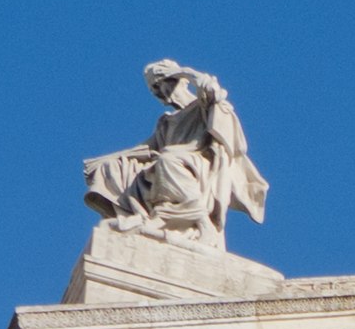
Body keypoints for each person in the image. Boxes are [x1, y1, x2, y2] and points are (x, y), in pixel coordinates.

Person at [83, 61, 268, 248]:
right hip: (168, 163)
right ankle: (141, 218)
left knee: (167, 159)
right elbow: (144, 149)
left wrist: (184, 71)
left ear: (180, 80)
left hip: (198, 164)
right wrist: (105, 161)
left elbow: (212, 90)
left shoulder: (203, 105)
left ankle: (201, 222)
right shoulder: (166, 122)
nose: (160, 90)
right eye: (154, 88)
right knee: (112, 167)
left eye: (162, 81)